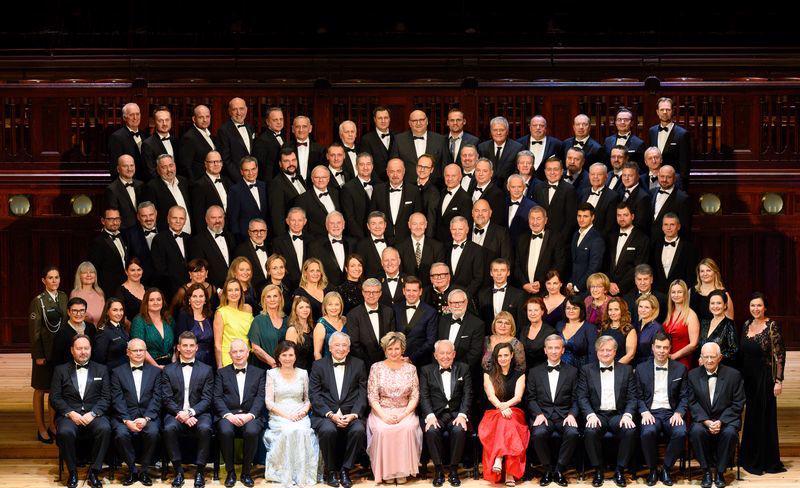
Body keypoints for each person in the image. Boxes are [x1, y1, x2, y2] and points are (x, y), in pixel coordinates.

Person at [50, 334, 111, 488]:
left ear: (91, 349)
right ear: (72, 350)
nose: (83, 352)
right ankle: (72, 472)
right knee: (64, 432)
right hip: (70, 415)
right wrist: (71, 413)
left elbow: (106, 398)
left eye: (86, 348)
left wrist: (93, 413)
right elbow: (55, 398)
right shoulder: (60, 370)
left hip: (94, 414)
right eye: (79, 348)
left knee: (105, 429)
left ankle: (94, 472)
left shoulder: (102, 369)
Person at [577, 336, 638, 488]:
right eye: (602, 350)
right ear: (596, 352)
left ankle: (620, 470)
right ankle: (598, 470)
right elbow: (582, 397)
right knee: (590, 431)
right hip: (597, 415)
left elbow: (632, 397)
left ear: (615, 352)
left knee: (630, 430)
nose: (605, 353)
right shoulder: (586, 370)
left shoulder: (626, 370)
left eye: (609, 350)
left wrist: (628, 415)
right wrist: (590, 415)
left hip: (618, 415)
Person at [308, 332, 368, 488]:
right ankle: (331, 471)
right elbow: (314, 394)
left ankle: (345, 470)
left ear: (349, 348)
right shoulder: (318, 365)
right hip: (326, 415)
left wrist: (354, 414)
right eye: (337, 345)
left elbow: (362, 393)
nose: (341, 348)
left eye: (344, 345)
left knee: (358, 430)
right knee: (328, 430)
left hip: (351, 414)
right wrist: (330, 414)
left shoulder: (359, 364)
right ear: (329, 347)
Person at [739, 292, 786, 475]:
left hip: (764, 380)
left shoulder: (772, 326)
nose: (755, 309)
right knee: (751, 418)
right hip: (748, 379)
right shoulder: (746, 324)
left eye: (759, 305)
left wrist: (778, 381)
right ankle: (749, 457)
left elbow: (779, 355)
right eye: (752, 305)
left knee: (763, 418)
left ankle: (765, 460)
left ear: (765, 307)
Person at [635, 332, 690, 486]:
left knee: (681, 432)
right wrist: (644, 411)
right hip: (650, 412)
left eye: (665, 347)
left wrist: (679, 412)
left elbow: (685, 396)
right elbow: (637, 396)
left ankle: (666, 469)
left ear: (670, 348)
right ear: (652, 347)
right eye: (658, 347)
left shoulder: (680, 369)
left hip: (671, 412)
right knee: (647, 432)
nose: (661, 351)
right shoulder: (641, 369)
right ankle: (652, 469)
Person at [366, 332, 422, 484]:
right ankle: (387, 472)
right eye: (389, 349)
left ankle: (403, 471)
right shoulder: (376, 368)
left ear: (402, 349)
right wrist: (384, 416)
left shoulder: (411, 369)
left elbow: (415, 396)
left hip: (405, 410)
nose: (393, 352)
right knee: (383, 429)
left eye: (397, 348)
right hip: (381, 411)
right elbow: (372, 396)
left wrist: (404, 414)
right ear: (385, 350)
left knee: (408, 428)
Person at [161, 331, 215, 488]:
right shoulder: (168, 370)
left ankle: (200, 472)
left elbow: (207, 399)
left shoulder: (206, 370)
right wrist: (180, 413)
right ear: (178, 347)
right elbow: (166, 398)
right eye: (185, 345)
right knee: (169, 428)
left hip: (199, 413)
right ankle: (178, 471)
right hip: (175, 413)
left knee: (205, 428)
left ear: (197, 347)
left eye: (191, 345)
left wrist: (190, 413)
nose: (188, 349)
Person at [263, 341, 321, 486]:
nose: (287, 358)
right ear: (278, 356)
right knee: (288, 431)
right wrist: (286, 416)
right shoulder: (271, 373)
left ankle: (302, 475)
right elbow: (269, 402)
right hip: (279, 414)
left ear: (295, 357)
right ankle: (284, 473)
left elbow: (308, 398)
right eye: (284, 355)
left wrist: (304, 411)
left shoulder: (303, 373)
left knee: (302, 431)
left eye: (291, 355)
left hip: (300, 413)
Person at [525, 334, 580, 487]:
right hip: (543, 415)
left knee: (573, 433)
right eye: (550, 348)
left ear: (563, 350)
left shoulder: (573, 372)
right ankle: (548, 470)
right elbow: (531, 398)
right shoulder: (534, 372)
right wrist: (538, 414)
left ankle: (559, 470)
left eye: (557, 348)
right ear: (545, 350)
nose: (554, 351)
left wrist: (572, 414)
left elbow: (577, 398)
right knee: (538, 433)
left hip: (564, 415)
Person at [687, 343, 744, 488]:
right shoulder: (692, 375)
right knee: (696, 431)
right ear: (701, 357)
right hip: (703, 419)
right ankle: (706, 471)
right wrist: (706, 421)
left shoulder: (734, 375)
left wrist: (721, 421)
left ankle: (720, 472)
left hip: (726, 420)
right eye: (705, 357)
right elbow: (692, 402)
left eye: (712, 357)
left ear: (720, 357)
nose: (709, 360)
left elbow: (738, 403)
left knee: (730, 433)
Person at [109, 338, 162, 487]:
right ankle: (132, 470)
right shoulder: (117, 372)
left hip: (148, 415)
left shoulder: (156, 372)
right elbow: (117, 399)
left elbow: (157, 398)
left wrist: (146, 418)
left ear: (146, 352)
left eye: (141, 350)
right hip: (124, 416)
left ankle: (144, 470)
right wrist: (127, 420)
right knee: (121, 434)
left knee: (153, 433)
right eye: (135, 350)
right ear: (128, 352)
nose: (138, 353)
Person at [214, 339, 266, 488]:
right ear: (230, 354)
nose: (238, 354)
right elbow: (217, 397)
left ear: (248, 352)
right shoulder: (221, 373)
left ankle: (246, 473)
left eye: (241, 351)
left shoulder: (260, 373)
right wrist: (228, 415)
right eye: (234, 352)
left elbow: (260, 397)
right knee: (225, 430)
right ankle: (230, 472)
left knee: (252, 431)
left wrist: (250, 415)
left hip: (251, 415)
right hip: (228, 415)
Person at [419, 340, 472, 487]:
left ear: (454, 354)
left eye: (449, 353)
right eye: (441, 353)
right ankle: (438, 470)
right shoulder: (426, 371)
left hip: (456, 413)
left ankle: (454, 470)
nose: (445, 356)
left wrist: (462, 415)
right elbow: (424, 396)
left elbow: (468, 394)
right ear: (435, 355)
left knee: (459, 430)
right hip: (436, 415)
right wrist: (430, 416)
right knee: (431, 431)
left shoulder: (464, 369)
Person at [478, 342, 529, 486]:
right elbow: (490, 396)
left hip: (514, 412)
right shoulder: (488, 374)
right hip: (493, 413)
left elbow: (518, 397)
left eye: (506, 355)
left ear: (512, 355)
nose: (503, 358)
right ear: (496, 357)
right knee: (505, 421)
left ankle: (499, 457)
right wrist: (501, 407)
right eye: (500, 356)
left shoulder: (520, 374)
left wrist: (505, 406)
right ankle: (509, 474)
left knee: (508, 420)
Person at [29, 265, 68, 444]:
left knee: (54, 389)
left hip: (59, 352)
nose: (54, 281)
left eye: (56, 277)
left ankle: (52, 424)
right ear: (44, 280)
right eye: (50, 278)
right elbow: (34, 331)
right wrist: (38, 355)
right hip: (44, 352)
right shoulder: (38, 301)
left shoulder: (63, 297)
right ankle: (41, 428)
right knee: (40, 389)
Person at [347, 279, 396, 368]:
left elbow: (392, 339)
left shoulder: (389, 312)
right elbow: (354, 344)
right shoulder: (353, 315)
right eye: (367, 292)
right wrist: (369, 364)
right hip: (363, 365)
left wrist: (384, 361)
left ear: (380, 293)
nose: (371, 295)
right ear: (363, 293)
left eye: (375, 292)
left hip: (386, 363)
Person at [393, 276, 438, 367]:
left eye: (414, 291)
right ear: (403, 291)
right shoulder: (395, 309)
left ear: (420, 292)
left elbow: (430, 341)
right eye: (408, 290)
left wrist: (411, 358)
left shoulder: (430, 312)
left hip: (421, 362)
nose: (411, 294)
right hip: (396, 360)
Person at [141, 154, 192, 234]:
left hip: (190, 233)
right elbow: (153, 216)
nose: (169, 170)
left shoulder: (183, 181)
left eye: (171, 165)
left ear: (175, 166)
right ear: (158, 170)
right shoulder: (151, 187)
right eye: (164, 167)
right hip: (168, 236)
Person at [437, 289, 485, 373]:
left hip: (465, 371)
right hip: (441, 369)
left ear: (466, 302)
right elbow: (437, 346)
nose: (457, 306)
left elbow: (475, 353)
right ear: (449, 304)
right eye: (453, 303)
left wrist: (455, 368)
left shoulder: (477, 324)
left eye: (460, 302)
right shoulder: (442, 320)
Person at [648, 97, 691, 187]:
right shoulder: (652, 131)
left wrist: (680, 184)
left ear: (672, 111)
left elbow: (684, 165)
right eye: (662, 110)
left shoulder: (682, 134)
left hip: (674, 182)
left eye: (668, 109)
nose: (664, 112)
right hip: (654, 180)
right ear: (657, 112)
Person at [190, 205, 235, 289]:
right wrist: (216, 290)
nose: (217, 221)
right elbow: (199, 271)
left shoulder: (231, 237)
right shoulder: (198, 241)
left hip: (233, 289)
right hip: (212, 291)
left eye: (220, 217)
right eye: (213, 218)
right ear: (206, 219)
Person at [227, 157, 269, 244]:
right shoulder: (235, 190)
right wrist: (239, 242)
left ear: (257, 169)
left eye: (253, 169)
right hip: (245, 240)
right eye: (247, 170)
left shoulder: (264, 186)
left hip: (265, 238)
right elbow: (233, 220)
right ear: (241, 172)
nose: (251, 173)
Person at [87, 207, 129, 295]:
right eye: (111, 219)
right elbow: (94, 269)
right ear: (103, 221)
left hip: (125, 286)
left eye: (117, 219)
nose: (115, 222)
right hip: (108, 289)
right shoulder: (98, 242)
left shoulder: (124, 236)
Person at [213, 278, 254, 367]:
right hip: (229, 358)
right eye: (230, 290)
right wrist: (220, 366)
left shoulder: (248, 309)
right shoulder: (221, 312)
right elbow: (217, 344)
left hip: (248, 357)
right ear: (225, 293)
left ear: (241, 292)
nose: (234, 293)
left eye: (236, 290)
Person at [130, 288, 175, 367]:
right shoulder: (139, 321)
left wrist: (174, 363)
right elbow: (139, 348)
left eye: (158, 299)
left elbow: (175, 343)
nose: (156, 302)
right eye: (151, 300)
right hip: (149, 365)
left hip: (170, 364)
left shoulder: (168, 318)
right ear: (146, 303)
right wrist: (156, 366)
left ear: (163, 301)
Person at [174, 283, 214, 367]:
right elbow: (180, 340)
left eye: (201, 296)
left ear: (205, 299)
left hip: (210, 361)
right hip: (190, 361)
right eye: (194, 296)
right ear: (189, 299)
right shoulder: (183, 315)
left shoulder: (210, 315)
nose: (198, 299)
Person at [248, 284, 288, 370]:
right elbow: (255, 348)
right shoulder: (258, 320)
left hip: (285, 367)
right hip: (263, 368)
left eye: (275, 296)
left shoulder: (287, 320)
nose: (272, 299)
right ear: (264, 300)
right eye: (268, 297)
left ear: (280, 298)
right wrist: (273, 363)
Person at [663, 280, 700, 369]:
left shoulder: (691, 315)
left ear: (685, 294)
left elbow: (694, 344)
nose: (676, 295)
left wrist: (674, 356)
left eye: (679, 292)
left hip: (682, 361)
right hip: (666, 359)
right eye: (673, 292)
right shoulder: (670, 313)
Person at [217, 97, 255, 182]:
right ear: (229, 111)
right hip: (235, 180)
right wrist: (241, 180)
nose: (238, 113)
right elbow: (225, 160)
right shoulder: (223, 130)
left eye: (241, 109)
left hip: (252, 177)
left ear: (246, 110)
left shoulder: (250, 127)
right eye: (235, 109)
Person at [52, 297, 98, 366]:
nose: (78, 314)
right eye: (75, 311)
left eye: (82, 310)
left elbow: (95, 352)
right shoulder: (61, 332)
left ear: (85, 312)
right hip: (69, 370)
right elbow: (57, 360)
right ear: (68, 312)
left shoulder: (91, 328)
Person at [698, 290, 738, 366]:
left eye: (719, 303)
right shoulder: (704, 323)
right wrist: (702, 358)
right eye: (712, 303)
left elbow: (733, 352)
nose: (715, 306)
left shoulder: (729, 324)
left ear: (725, 305)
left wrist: (714, 359)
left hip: (722, 368)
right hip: (704, 367)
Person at [556, 297, 597, 368]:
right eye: (568, 308)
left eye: (574, 308)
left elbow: (592, 354)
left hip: (581, 369)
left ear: (581, 310)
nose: (571, 311)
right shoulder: (559, 325)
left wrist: (590, 372)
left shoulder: (590, 328)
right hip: (559, 368)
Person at [519, 297, 557, 370]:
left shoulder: (550, 332)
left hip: (543, 371)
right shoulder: (523, 329)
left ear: (542, 312)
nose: (532, 313)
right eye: (530, 310)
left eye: (536, 310)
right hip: (523, 371)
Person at [92, 298, 130, 369]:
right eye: (115, 310)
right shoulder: (103, 332)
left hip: (124, 370)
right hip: (111, 372)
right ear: (107, 312)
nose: (119, 313)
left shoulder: (122, 327)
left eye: (121, 310)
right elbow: (99, 359)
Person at [599, 298, 637, 364]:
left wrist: (614, 367)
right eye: (610, 310)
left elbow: (630, 355)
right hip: (602, 365)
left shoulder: (629, 329)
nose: (613, 313)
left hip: (620, 366)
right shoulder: (604, 327)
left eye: (616, 309)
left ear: (622, 311)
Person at [315, 291, 349, 360]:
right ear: (325, 306)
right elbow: (317, 353)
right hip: (328, 364)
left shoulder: (345, 320)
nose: (334, 308)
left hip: (348, 362)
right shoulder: (321, 324)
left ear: (341, 306)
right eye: (330, 304)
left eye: (337, 304)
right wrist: (322, 367)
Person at [285, 295, 316, 370]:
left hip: (313, 370)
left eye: (307, 307)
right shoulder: (292, 330)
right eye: (301, 307)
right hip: (298, 370)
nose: (305, 310)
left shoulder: (313, 327)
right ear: (295, 311)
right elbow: (289, 356)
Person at [633, 295, 664, 367]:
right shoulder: (635, 325)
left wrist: (641, 368)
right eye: (640, 306)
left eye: (647, 307)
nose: (642, 310)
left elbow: (656, 354)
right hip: (632, 366)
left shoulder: (657, 328)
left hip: (647, 367)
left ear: (653, 310)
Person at [118, 257, 145, 324]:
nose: (136, 273)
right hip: (131, 328)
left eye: (139, 269)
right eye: (132, 270)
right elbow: (119, 315)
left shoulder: (147, 289)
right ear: (126, 272)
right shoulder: (121, 292)